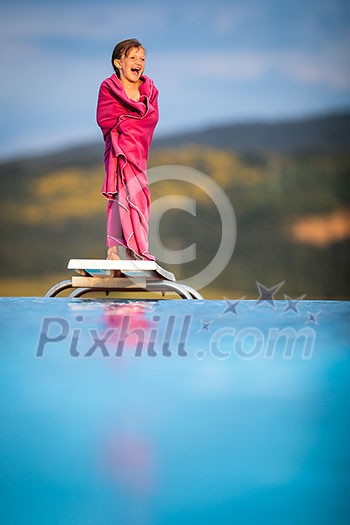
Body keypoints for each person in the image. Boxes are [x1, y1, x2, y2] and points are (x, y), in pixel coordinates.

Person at [96, 38, 159, 261]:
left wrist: (127, 124)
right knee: (117, 196)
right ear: (118, 63)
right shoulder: (108, 87)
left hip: (137, 152)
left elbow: (150, 119)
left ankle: (136, 250)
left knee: (139, 195)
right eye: (132, 58)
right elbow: (105, 118)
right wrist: (128, 122)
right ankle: (113, 251)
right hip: (116, 151)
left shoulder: (150, 89)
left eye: (142, 59)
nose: (138, 62)